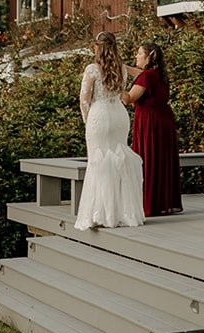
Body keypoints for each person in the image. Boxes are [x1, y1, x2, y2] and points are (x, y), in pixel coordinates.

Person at [75, 32, 145, 231]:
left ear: (97, 47)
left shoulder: (92, 69)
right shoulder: (122, 69)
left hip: (99, 115)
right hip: (119, 116)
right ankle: (122, 211)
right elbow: (141, 75)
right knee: (118, 161)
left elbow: (84, 100)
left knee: (99, 162)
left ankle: (101, 213)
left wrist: (87, 122)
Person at [125, 40, 182, 217]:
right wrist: (123, 68)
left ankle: (148, 204)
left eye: (139, 53)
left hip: (149, 121)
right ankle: (162, 202)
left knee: (147, 159)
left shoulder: (146, 77)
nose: (136, 56)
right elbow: (140, 74)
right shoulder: (158, 74)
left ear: (148, 58)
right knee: (161, 160)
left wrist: (115, 83)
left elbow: (127, 99)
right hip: (164, 119)